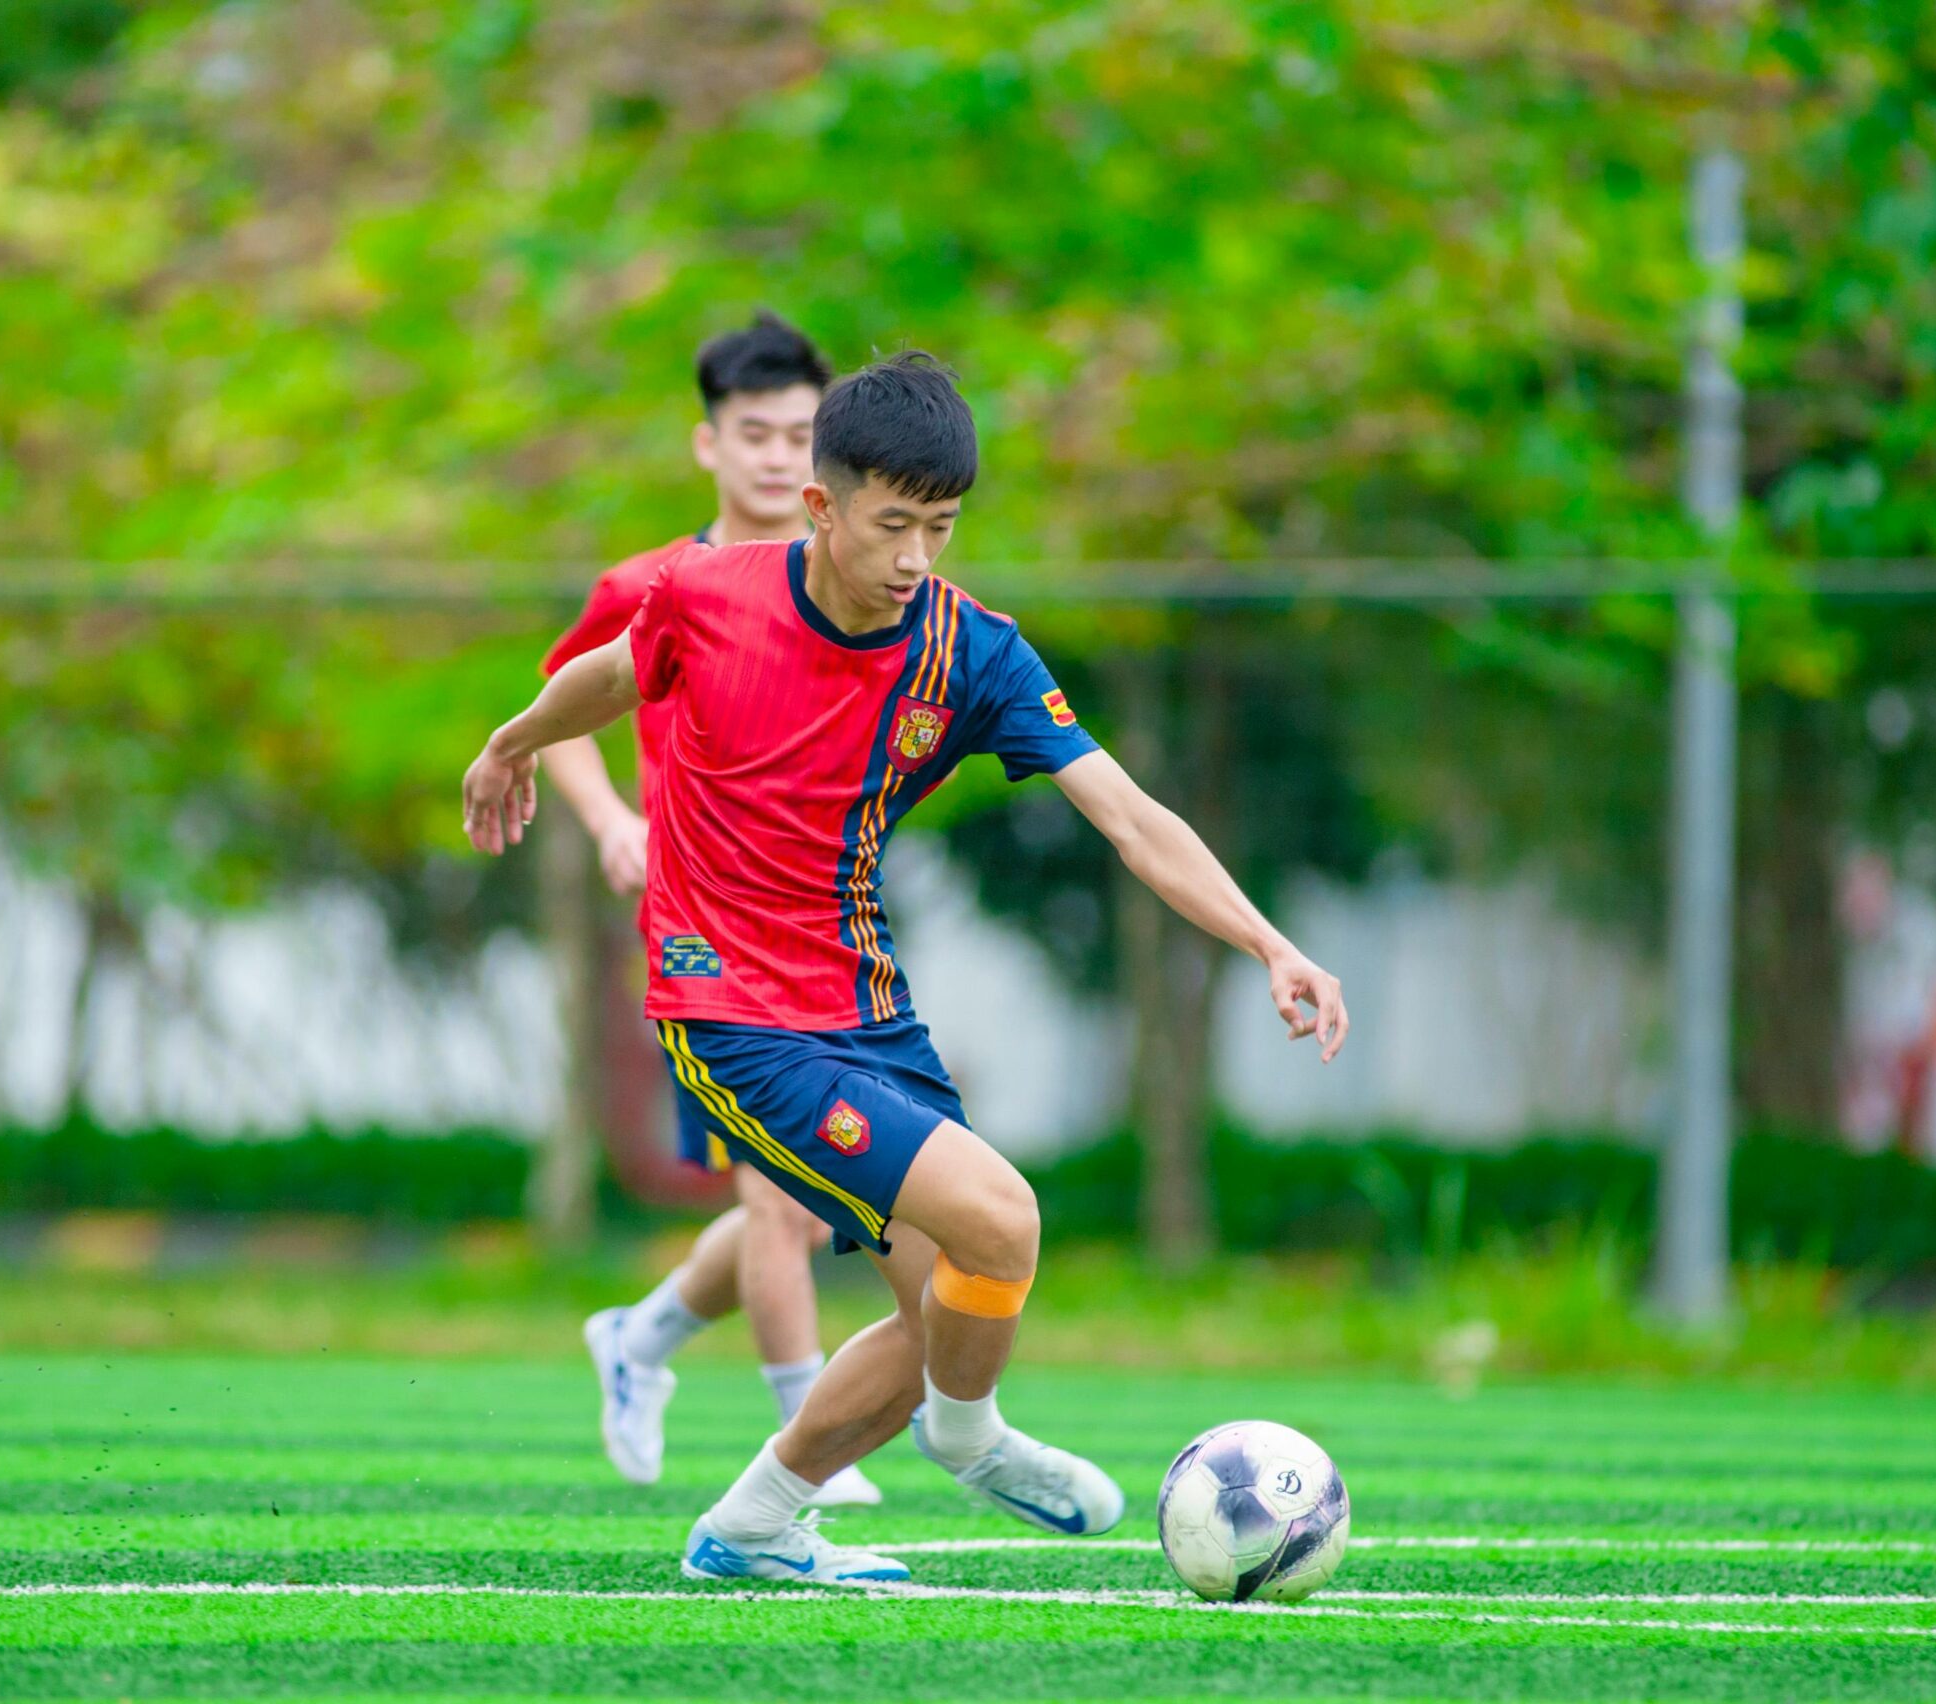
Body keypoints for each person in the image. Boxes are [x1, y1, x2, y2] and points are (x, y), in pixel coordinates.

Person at [462, 353, 1348, 1587]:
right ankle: (968, 1435)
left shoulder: (967, 652)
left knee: (945, 1299)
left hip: (867, 1012)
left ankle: (756, 1526)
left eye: (941, 525)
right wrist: (511, 745)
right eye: (894, 524)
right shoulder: (700, 594)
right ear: (820, 510)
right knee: (1005, 1220)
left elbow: (1129, 816)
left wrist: (1270, 943)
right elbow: (609, 672)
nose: (918, 554)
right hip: (729, 1014)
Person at [539, 312, 879, 1507]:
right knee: (785, 1201)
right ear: (707, 443)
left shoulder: (857, 585)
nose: (782, 458)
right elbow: (555, 712)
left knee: (828, 1195)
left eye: (803, 434)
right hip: (700, 934)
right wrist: (609, 822)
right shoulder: (650, 585)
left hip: (825, 932)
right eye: (756, 434)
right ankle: (812, 1444)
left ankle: (638, 1337)